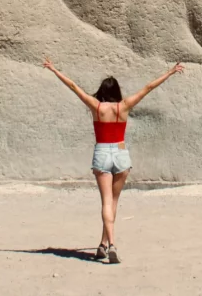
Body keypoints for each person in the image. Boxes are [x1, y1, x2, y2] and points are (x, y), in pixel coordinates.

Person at [42, 58, 185, 264]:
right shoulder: (124, 106)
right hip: (120, 153)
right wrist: (170, 72)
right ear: (117, 91)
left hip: (102, 153)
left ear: (101, 91)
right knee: (114, 202)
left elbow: (73, 86)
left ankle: (112, 244)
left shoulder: (96, 107)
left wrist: (55, 70)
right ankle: (103, 244)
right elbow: (149, 87)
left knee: (106, 202)